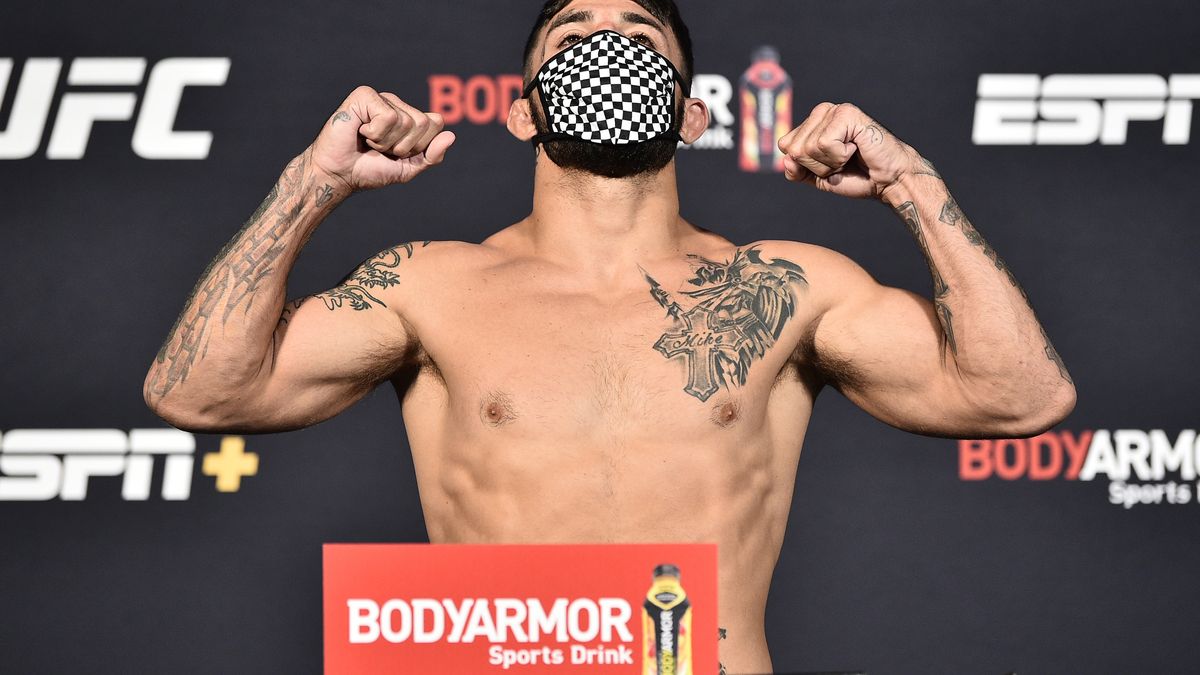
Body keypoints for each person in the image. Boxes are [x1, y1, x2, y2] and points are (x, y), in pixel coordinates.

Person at [144, 0, 1076, 672]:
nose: (605, 46)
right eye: (573, 33)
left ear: (691, 114)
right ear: (522, 110)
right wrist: (315, 181)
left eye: (637, 35)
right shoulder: (431, 284)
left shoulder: (782, 288)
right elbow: (200, 391)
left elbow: (1020, 396)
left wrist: (909, 181)